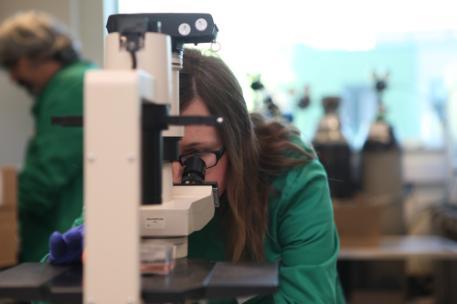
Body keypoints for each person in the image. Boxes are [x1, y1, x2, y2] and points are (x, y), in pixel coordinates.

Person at [48, 48, 345, 303]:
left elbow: (310, 298)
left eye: (195, 158)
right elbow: (45, 292)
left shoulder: (290, 175)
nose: (175, 176)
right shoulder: (127, 173)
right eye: (158, 157)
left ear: (237, 145)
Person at [0, 11, 93, 262]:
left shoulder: (70, 88)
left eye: (13, 65)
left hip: (61, 234)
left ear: (35, 56)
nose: (13, 77)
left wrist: (8, 211)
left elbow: (46, 175)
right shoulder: (80, 81)